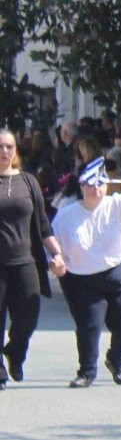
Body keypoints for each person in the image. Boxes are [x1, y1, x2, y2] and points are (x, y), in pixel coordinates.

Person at [0, 128, 55, 388]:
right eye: (0, 146)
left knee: (29, 316)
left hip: (25, 261)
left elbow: (43, 224)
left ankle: (15, 352)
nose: (4, 151)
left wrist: (57, 254)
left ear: (15, 150)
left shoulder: (28, 181)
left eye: (9, 146)